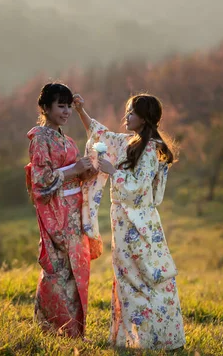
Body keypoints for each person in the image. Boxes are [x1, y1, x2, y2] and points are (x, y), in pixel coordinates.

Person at [74, 93, 186, 350]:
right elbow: (105, 137)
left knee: (144, 277)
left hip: (139, 224)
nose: (126, 117)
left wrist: (113, 172)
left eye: (131, 113)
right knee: (129, 276)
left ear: (145, 118)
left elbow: (139, 189)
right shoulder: (133, 142)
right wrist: (81, 111)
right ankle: (138, 339)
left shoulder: (151, 149)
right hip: (126, 222)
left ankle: (154, 339)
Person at [25, 82, 96, 338]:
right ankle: (51, 329)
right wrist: (73, 170)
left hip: (74, 212)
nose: (66, 111)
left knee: (76, 271)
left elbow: (73, 175)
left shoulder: (66, 140)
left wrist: (86, 171)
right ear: (45, 107)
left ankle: (74, 332)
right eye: (60, 106)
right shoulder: (40, 139)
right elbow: (40, 181)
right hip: (55, 212)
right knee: (56, 271)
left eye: (68, 106)